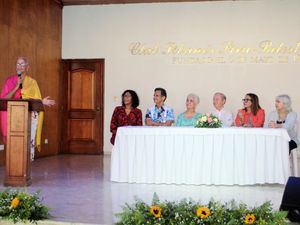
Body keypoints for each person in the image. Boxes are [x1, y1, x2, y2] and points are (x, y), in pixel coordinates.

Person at [0, 57, 55, 159]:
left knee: (25, 144)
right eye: (17, 64)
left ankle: (25, 166)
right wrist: (16, 87)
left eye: (22, 64)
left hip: (27, 118)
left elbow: (34, 100)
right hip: (13, 118)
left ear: (27, 67)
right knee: (14, 145)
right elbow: (4, 99)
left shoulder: (32, 82)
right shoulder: (10, 81)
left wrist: (42, 101)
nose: (19, 67)